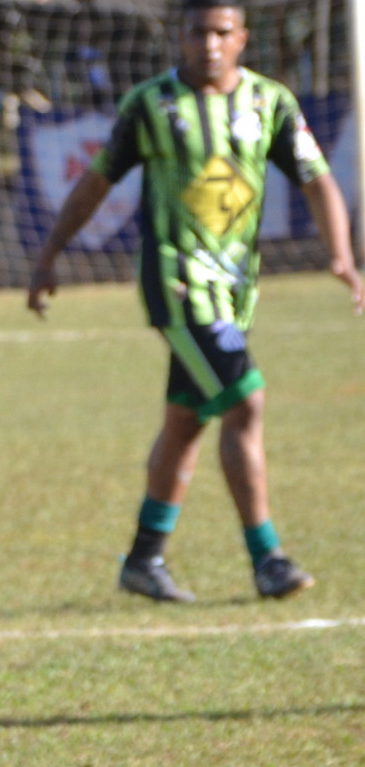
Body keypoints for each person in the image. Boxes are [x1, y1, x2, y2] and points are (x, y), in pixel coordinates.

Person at [28, 0, 362, 602]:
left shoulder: (270, 103)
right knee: (245, 402)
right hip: (177, 281)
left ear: (242, 39)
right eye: (197, 32)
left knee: (186, 420)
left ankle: (143, 558)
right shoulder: (152, 105)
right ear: (180, 39)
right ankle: (269, 559)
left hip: (235, 287)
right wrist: (50, 252)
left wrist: (341, 254)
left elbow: (316, 179)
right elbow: (96, 181)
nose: (208, 44)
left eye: (221, 32)